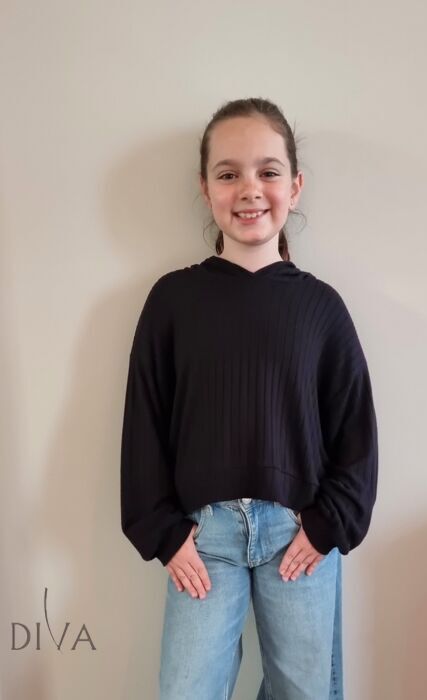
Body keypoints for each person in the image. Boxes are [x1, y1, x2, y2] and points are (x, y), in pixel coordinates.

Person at [120, 97, 379, 700]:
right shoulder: (173, 301)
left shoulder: (321, 308)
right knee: (185, 690)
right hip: (202, 539)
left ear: (295, 185)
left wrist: (328, 524)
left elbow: (356, 434)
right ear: (205, 187)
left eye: (268, 171)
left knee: (304, 692)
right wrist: (162, 532)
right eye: (228, 173)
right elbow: (144, 424)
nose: (249, 190)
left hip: (299, 534)